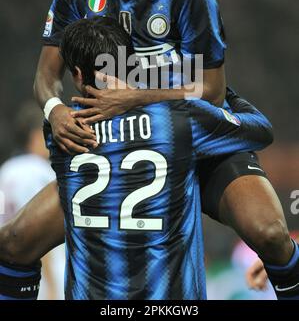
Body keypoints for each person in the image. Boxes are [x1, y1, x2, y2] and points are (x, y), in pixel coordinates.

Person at [30, 0, 298, 299]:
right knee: (15, 242)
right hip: (119, 145)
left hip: (198, 136)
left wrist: (138, 96)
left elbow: (211, 90)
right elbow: (46, 77)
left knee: (270, 233)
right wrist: (54, 110)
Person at [0, 16, 274, 300]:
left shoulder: (60, 133)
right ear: (131, 66)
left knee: (12, 244)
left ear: (77, 75)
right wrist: (213, 89)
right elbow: (261, 130)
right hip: (170, 301)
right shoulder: (180, 121)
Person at [0, 102, 64, 300]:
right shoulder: (37, 171)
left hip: (10, 275)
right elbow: (33, 230)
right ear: (37, 136)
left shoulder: (6, 170)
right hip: (41, 279)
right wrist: (52, 286)